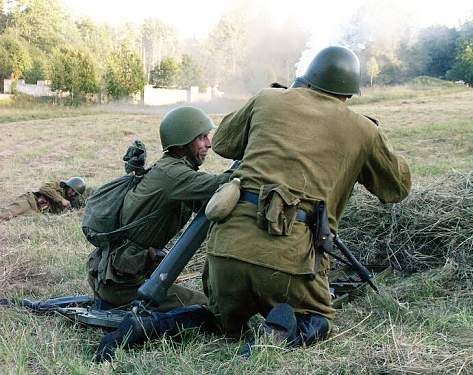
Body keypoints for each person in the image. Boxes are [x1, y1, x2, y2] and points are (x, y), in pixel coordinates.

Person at [95, 46, 411, 361]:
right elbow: (397, 188)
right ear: (349, 93)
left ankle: (144, 328)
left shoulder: (268, 99)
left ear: (308, 79)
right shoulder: (362, 130)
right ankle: (270, 340)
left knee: (217, 321)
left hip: (226, 252)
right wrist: (373, 138)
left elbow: (223, 143)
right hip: (289, 259)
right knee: (317, 318)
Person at [86, 106, 231, 312]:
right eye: (201, 137)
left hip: (118, 277)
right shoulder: (173, 174)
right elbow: (222, 183)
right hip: (123, 285)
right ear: (183, 142)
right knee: (211, 309)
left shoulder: (169, 169)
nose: (209, 144)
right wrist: (258, 161)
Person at [0, 177, 86, 221]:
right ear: (68, 186)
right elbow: (44, 188)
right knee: (6, 214)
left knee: (12, 219)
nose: (72, 193)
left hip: (35, 212)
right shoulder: (57, 185)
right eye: (72, 190)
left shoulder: (70, 202)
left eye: (75, 193)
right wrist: (61, 199)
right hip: (30, 201)